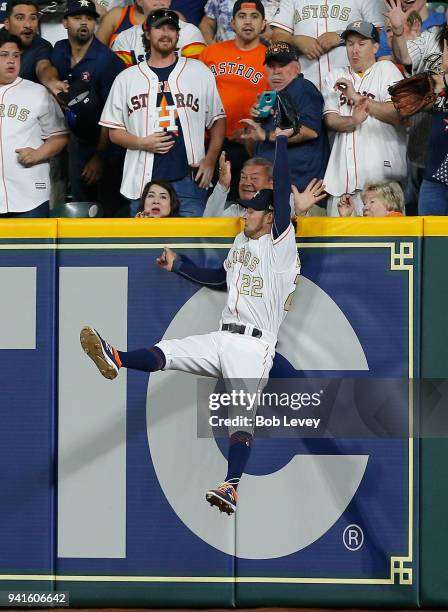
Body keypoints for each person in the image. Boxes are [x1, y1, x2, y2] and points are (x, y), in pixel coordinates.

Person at [80, 130, 300, 515]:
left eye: (251, 210)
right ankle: (116, 357)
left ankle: (231, 486)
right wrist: (179, 264)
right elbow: (220, 279)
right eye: (245, 208)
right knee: (170, 352)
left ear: (270, 216)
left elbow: (280, 194)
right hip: (223, 336)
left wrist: (279, 142)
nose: (244, 213)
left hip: (254, 346)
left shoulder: (280, 243)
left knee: (241, 419)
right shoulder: (241, 244)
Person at [100, 8, 226, 217]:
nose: (166, 33)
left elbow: (218, 119)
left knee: (190, 246)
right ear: (147, 34)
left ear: (178, 35)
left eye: (171, 29)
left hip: (190, 181)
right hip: (143, 184)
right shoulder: (126, 78)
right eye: (159, 28)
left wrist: (211, 159)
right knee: (144, 248)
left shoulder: (198, 71)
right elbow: (114, 131)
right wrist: (142, 143)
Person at [322, 21, 406, 217]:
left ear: (376, 47)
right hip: (341, 184)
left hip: (382, 185)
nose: (354, 50)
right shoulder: (336, 75)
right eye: (350, 44)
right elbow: (330, 120)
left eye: (361, 44)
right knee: (340, 245)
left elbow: (399, 114)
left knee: (383, 243)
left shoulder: (387, 69)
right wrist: (353, 120)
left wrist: (358, 99)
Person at [51, 0, 126, 216]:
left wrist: (99, 157)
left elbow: (112, 115)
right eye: (77, 17)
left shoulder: (107, 61)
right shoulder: (60, 50)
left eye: (89, 18)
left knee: (109, 208)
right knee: (81, 206)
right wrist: (52, 82)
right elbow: (45, 68)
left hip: (106, 143)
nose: (84, 23)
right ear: (65, 22)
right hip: (76, 140)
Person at [199, 0, 268, 200]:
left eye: (254, 17)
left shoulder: (270, 59)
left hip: (248, 146)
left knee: (245, 206)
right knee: (210, 206)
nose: (248, 22)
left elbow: (275, 101)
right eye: (242, 16)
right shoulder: (211, 53)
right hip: (209, 144)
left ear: (264, 24)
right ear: (232, 23)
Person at [240, 41, 329, 194]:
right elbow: (254, 150)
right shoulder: (270, 98)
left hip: (298, 191)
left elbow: (310, 131)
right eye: (271, 65)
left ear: (297, 67)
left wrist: (267, 135)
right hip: (272, 191)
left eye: (282, 65)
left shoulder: (301, 87)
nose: (276, 71)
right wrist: (256, 123)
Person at [0, 30, 69, 218]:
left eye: (16, 55)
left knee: (32, 248)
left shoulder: (37, 93)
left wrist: (38, 154)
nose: (12, 61)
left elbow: (60, 135)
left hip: (29, 195)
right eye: (4, 55)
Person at [270, 0, 384, 91]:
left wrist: (341, 36)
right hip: (305, 89)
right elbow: (277, 37)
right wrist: (295, 40)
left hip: (353, 87)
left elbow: (377, 33)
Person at [204, 150, 327, 216]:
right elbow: (208, 226)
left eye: (254, 178)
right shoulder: (236, 210)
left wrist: (301, 213)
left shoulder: (287, 203)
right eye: (243, 177)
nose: (247, 183)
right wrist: (222, 185)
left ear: (272, 183)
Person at [112, 0, 206, 65]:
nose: (159, 2)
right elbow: (124, 82)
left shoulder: (190, 32)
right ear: (139, 1)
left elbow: (195, 78)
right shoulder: (125, 38)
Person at [4, 0, 67, 96]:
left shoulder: (41, 46)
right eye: (20, 18)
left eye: (33, 18)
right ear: (7, 24)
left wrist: (52, 82)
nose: (28, 25)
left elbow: (44, 67)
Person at [200, 0, 279, 44]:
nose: (248, 22)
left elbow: (283, 32)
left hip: (261, 56)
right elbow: (207, 23)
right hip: (223, 55)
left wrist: (273, 34)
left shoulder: (274, 2)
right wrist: (212, 45)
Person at [337, 181, 405, 216]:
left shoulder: (398, 222)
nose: (364, 208)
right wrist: (345, 217)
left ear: (391, 203)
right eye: (364, 204)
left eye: (372, 202)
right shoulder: (365, 226)